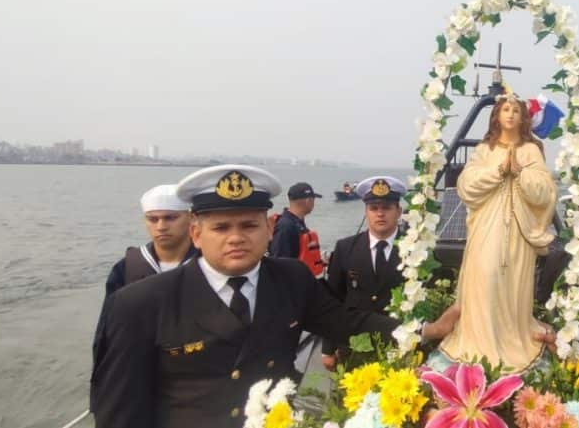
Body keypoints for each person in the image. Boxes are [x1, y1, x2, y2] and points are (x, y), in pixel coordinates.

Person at [92, 165, 459, 428]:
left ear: (270, 228)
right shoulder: (139, 304)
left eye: (249, 225)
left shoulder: (290, 279)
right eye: (221, 227)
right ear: (196, 232)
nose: (236, 237)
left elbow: (348, 320)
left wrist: (426, 330)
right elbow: (120, 413)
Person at [438, 94, 557, 373]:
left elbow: (545, 193)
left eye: (516, 110)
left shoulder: (530, 151)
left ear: (523, 117)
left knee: (511, 282)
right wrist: (498, 171)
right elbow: (466, 184)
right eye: (505, 109)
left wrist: (520, 174)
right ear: (496, 115)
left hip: (518, 229)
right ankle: (479, 343)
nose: (511, 114)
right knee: (486, 276)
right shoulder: (484, 150)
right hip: (487, 226)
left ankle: (509, 337)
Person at [90, 184, 199, 412]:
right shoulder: (127, 268)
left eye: (170, 218)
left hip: (195, 377)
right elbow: (107, 334)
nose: (161, 226)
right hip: (140, 374)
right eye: (153, 219)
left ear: (191, 219)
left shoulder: (208, 265)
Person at [320, 176, 406, 370]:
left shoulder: (415, 250)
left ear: (399, 212)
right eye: (374, 208)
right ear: (366, 212)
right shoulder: (345, 248)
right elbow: (332, 299)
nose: (380, 214)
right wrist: (327, 349)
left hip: (400, 348)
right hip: (354, 346)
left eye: (387, 208)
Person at [269, 182, 325, 278]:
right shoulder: (286, 226)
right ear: (308, 201)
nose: (314, 203)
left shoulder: (297, 223)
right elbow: (280, 263)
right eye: (313, 199)